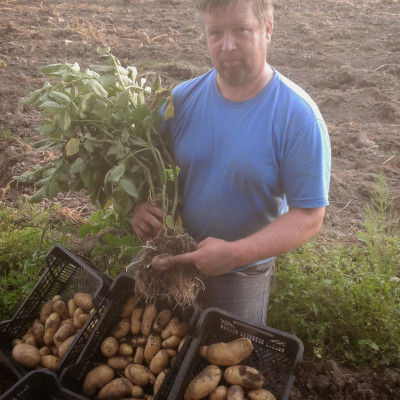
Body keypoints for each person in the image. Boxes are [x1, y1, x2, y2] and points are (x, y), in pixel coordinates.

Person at [131, 0, 331, 325]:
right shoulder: (178, 102)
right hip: (169, 262)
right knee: (154, 358)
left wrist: (235, 253)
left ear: (267, 30)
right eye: (216, 33)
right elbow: (141, 166)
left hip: (241, 276)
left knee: (227, 369)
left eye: (241, 29)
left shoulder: (298, 117)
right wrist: (137, 207)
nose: (228, 46)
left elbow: (309, 217)